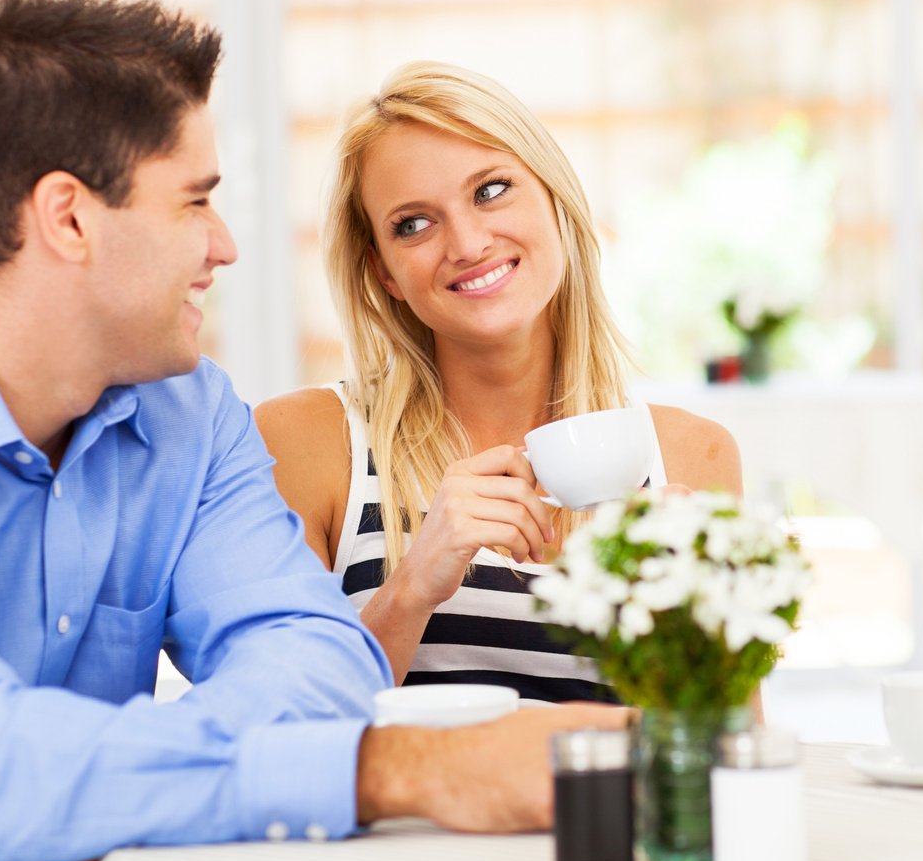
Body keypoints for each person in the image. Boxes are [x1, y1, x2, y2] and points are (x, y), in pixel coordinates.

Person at [0, 0, 621, 861]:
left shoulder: (194, 418)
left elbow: (318, 657)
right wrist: (398, 767)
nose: (222, 246)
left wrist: (91, 822)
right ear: (69, 219)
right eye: (195, 201)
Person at [257, 62, 743, 702]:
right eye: (414, 223)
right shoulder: (302, 444)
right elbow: (273, 730)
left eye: (490, 190)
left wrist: (689, 623)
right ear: (385, 273)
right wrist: (413, 585)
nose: (467, 242)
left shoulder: (691, 455)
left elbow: (730, 755)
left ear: (554, 198)